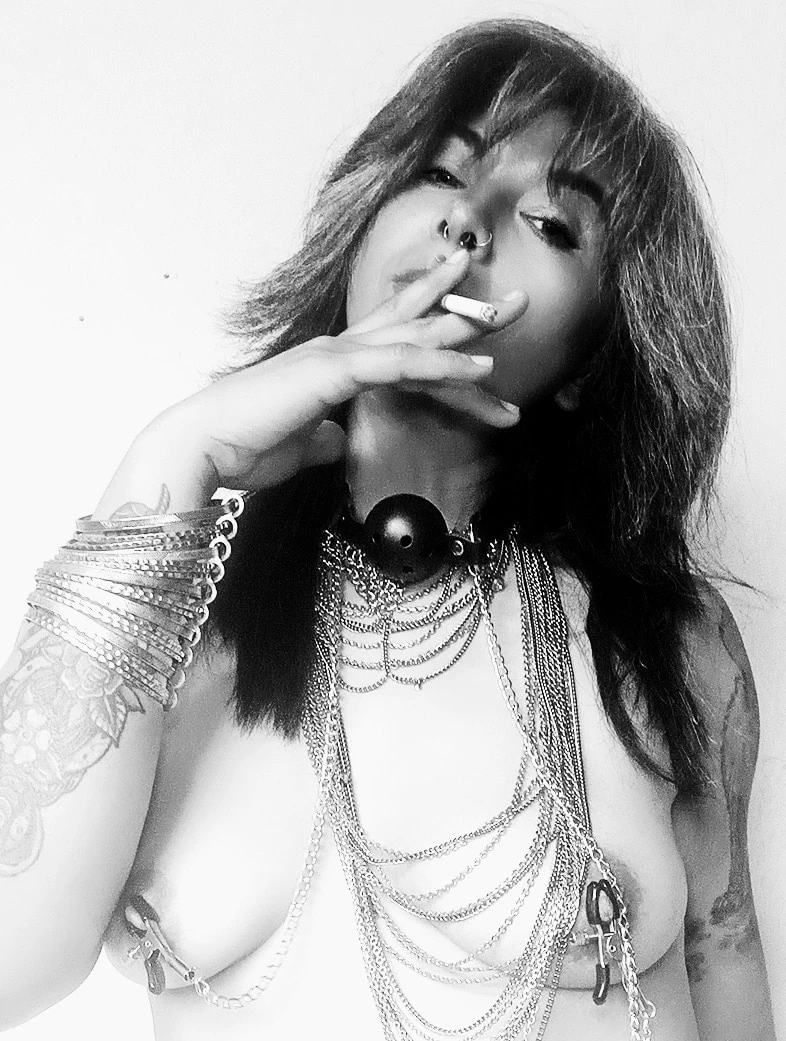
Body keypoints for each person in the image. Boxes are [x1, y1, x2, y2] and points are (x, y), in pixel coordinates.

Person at [0, 17, 776, 1041]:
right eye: (443, 172)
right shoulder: (176, 619)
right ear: (365, 221)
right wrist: (175, 455)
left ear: (591, 362)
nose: (471, 223)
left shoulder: (667, 645)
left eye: (551, 224)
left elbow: (730, 972)